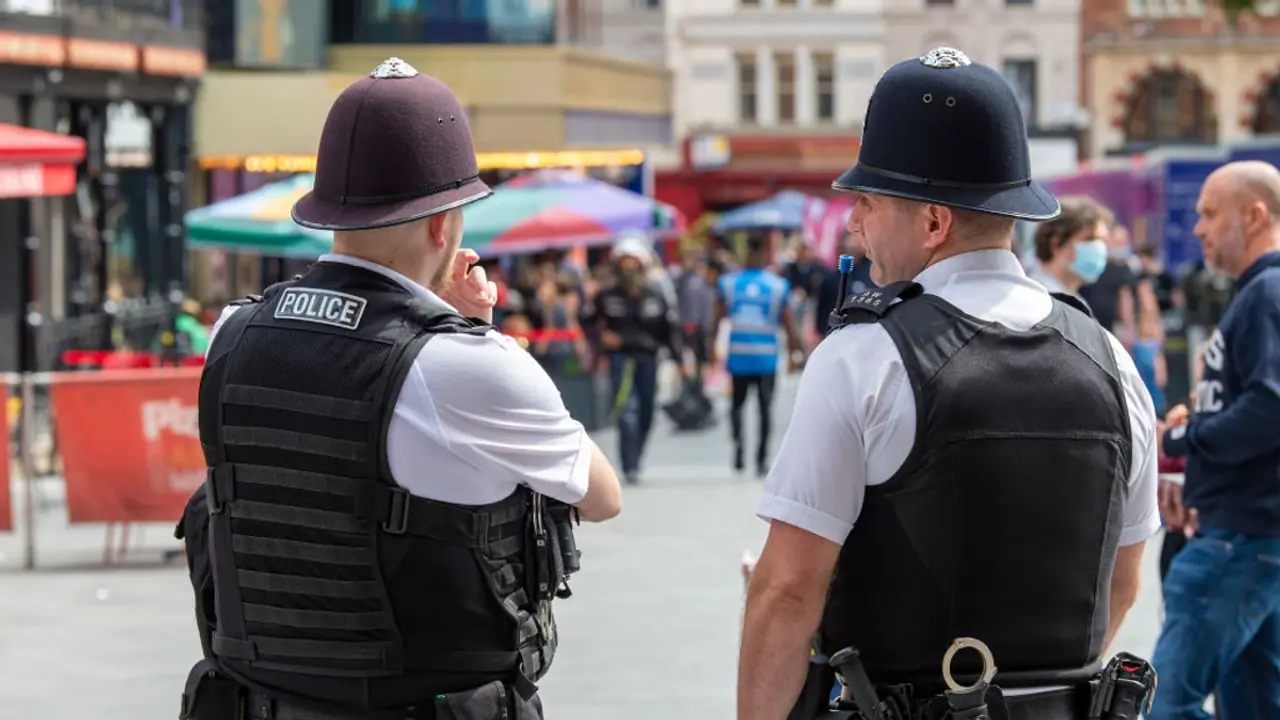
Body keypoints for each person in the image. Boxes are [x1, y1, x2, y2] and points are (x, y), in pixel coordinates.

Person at [175, 58, 622, 720]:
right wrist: (481, 336)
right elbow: (603, 495)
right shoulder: (470, 364)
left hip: (257, 699)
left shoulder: (233, 333)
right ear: (443, 225)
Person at [737, 47, 1160, 720]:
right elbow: (1124, 579)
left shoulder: (862, 357)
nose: (855, 225)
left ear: (934, 222)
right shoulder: (1110, 358)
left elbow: (788, 588)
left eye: (868, 203)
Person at [1151, 160, 1280, 720]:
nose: (1198, 228)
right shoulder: (1259, 291)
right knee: (1254, 705)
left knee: (1167, 705)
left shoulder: (1268, 290)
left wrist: (1186, 437)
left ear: (1254, 216)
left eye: (1209, 214)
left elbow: (1271, 408)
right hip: (1250, 532)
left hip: (1238, 537)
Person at [581, 242, 685, 485]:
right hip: (621, 359)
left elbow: (670, 331)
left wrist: (680, 361)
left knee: (647, 410)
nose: (629, 270)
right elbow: (587, 321)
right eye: (623, 265)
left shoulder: (656, 295)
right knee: (627, 412)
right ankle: (629, 465)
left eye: (633, 265)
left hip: (648, 359)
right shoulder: (607, 296)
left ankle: (637, 457)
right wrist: (601, 339)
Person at [712, 238, 802, 476]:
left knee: (738, 407)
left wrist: (711, 348)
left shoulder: (729, 283)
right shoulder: (777, 285)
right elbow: (789, 323)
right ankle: (759, 458)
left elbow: (716, 318)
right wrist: (794, 352)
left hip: (741, 356)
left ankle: (741, 449)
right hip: (765, 358)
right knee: (763, 409)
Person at [1027, 196, 1113, 301]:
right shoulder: (1036, 298)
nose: (1099, 247)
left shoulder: (1074, 300)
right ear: (1056, 244)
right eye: (1089, 239)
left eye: (1103, 240)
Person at [1080, 225, 1141, 346]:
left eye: (1124, 242)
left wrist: (1128, 328)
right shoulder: (1092, 266)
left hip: (1112, 329)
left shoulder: (1124, 269)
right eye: (1118, 242)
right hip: (1086, 325)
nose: (1121, 246)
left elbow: (1125, 299)